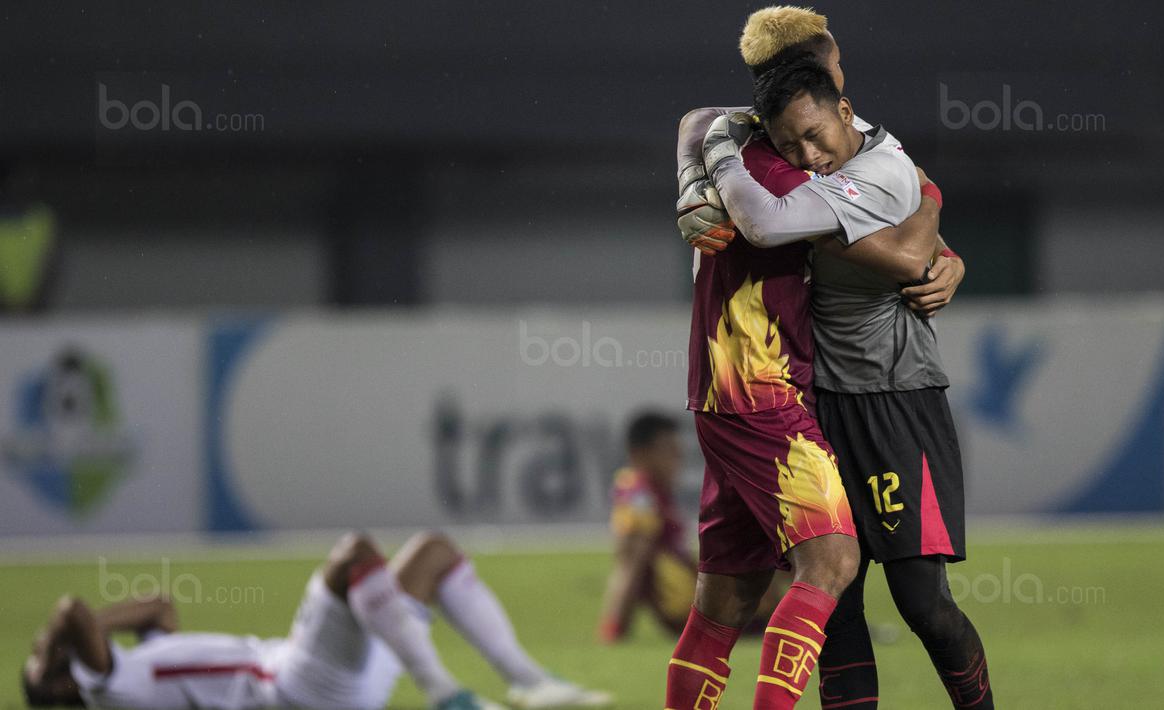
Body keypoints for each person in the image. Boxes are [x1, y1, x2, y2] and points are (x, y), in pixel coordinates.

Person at [677, 8, 994, 708]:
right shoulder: (780, 148)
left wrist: (938, 244)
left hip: (894, 396)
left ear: (836, 89)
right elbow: (700, 119)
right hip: (813, 399)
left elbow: (907, 253)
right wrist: (692, 176)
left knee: (920, 602)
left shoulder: (868, 167)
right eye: (793, 140)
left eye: (815, 134)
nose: (806, 154)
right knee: (835, 601)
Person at [20, 531, 611, 710]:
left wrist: (58, 652)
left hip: (338, 680)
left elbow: (159, 606)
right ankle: (446, 694)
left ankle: (527, 680)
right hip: (293, 687)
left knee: (433, 554)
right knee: (353, 552)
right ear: (64, 680)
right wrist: (48, 645)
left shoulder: (134, 667)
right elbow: (71, 610)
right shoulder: (105, 690)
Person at [597, 411, 786, 642]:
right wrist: (614, 630)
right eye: (669, 450)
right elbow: (630, 564)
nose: (678, 458)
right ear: (641, 454)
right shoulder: (639, 495)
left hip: (700, 599)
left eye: (678, 450)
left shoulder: (654, 493)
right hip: (692, 607)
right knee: (779, 540)